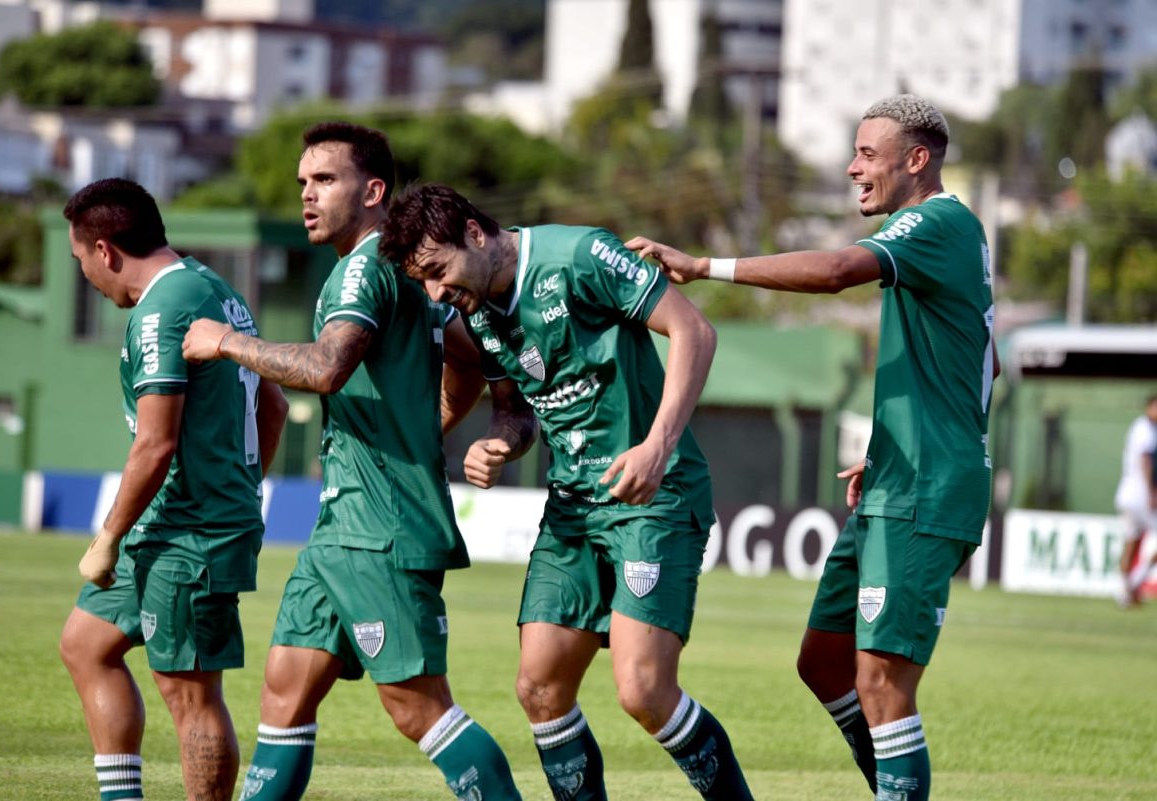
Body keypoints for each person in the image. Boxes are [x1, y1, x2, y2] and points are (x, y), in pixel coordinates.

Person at [627, 94, 999, 801]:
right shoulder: (953, 236)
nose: (853, 166)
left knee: (882, 681)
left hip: (925, 487)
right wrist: (895, 439)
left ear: (915, 160)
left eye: (867, 152)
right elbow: (986, 360)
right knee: (825, 662)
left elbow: (833, 271)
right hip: (904, 472)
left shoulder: (931, 221)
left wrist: (704, 265)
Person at [181, 122, 525, 801]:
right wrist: (430, 431)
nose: (307, 195)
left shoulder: (366, 266)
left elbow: (328, 367)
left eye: (325, 180)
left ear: (373, 190)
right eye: (303, 183)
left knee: (418, 708)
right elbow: (478, 359)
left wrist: (226, 341)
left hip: (380, 530)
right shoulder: (400, 271)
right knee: (285, 689)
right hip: (343, 525)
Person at [378, 184, 756, 801]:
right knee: (540, 689)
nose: (437, 293)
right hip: (573, 507)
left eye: (439, 272)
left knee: (643, 691)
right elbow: (519, 412)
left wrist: (656, 447)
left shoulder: (578, 255)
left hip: (652, 497)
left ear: (475, 233)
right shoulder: (475, 307)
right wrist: (499, 442)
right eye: (424, 283)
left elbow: (695, 331)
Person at [59, 178, 289, 801]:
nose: (86, 276)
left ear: (105, 250)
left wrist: (107, 536)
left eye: (80, 261)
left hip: (192, 533)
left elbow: (155, 443)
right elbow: (272, 407)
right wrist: (239, 486)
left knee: (189, 694)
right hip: (171, 522)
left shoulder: (164, 307)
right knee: (87, 644)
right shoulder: (215, 287)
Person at [1113, 395, 1157, 606]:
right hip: (1140, 497)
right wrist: (1152, 492)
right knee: (1132, 544)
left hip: (1128, 494)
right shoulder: (1145, 429)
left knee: (1131, 543)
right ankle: (1131, 585)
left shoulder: (1139, 427)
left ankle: (1125, 592)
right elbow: (1145, 460)